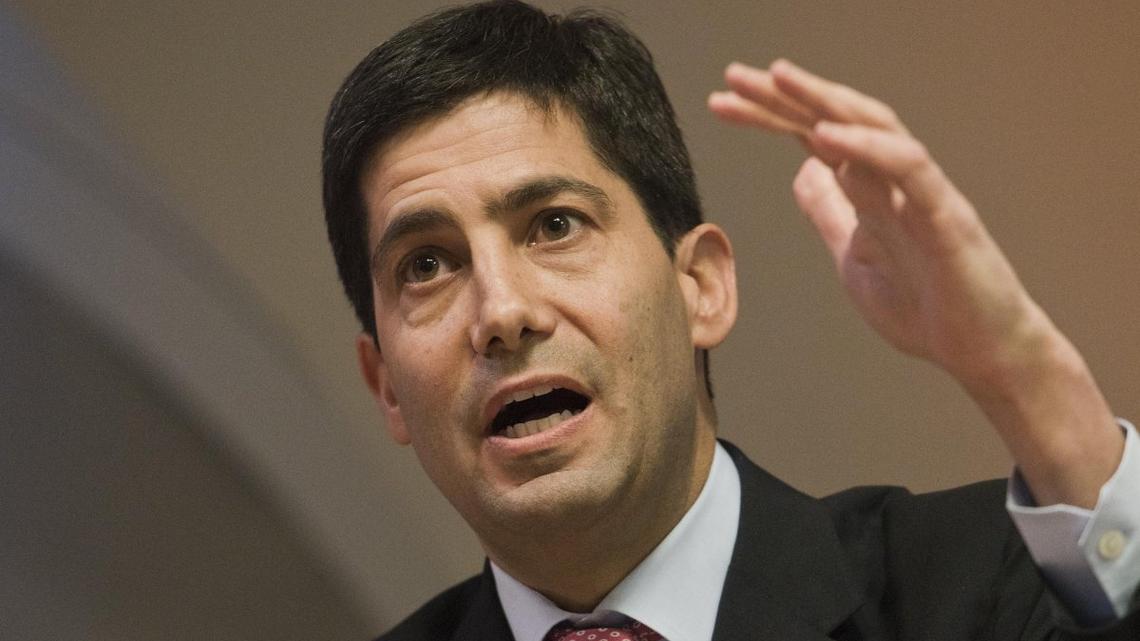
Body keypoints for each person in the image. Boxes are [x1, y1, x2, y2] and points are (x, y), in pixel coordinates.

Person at [320, 2, 1139, 639]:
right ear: (387, 386)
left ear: (700, 286)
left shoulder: (982, 588)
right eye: (425, 265)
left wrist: (1018, 371)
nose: (500, 311)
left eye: (555, 224)